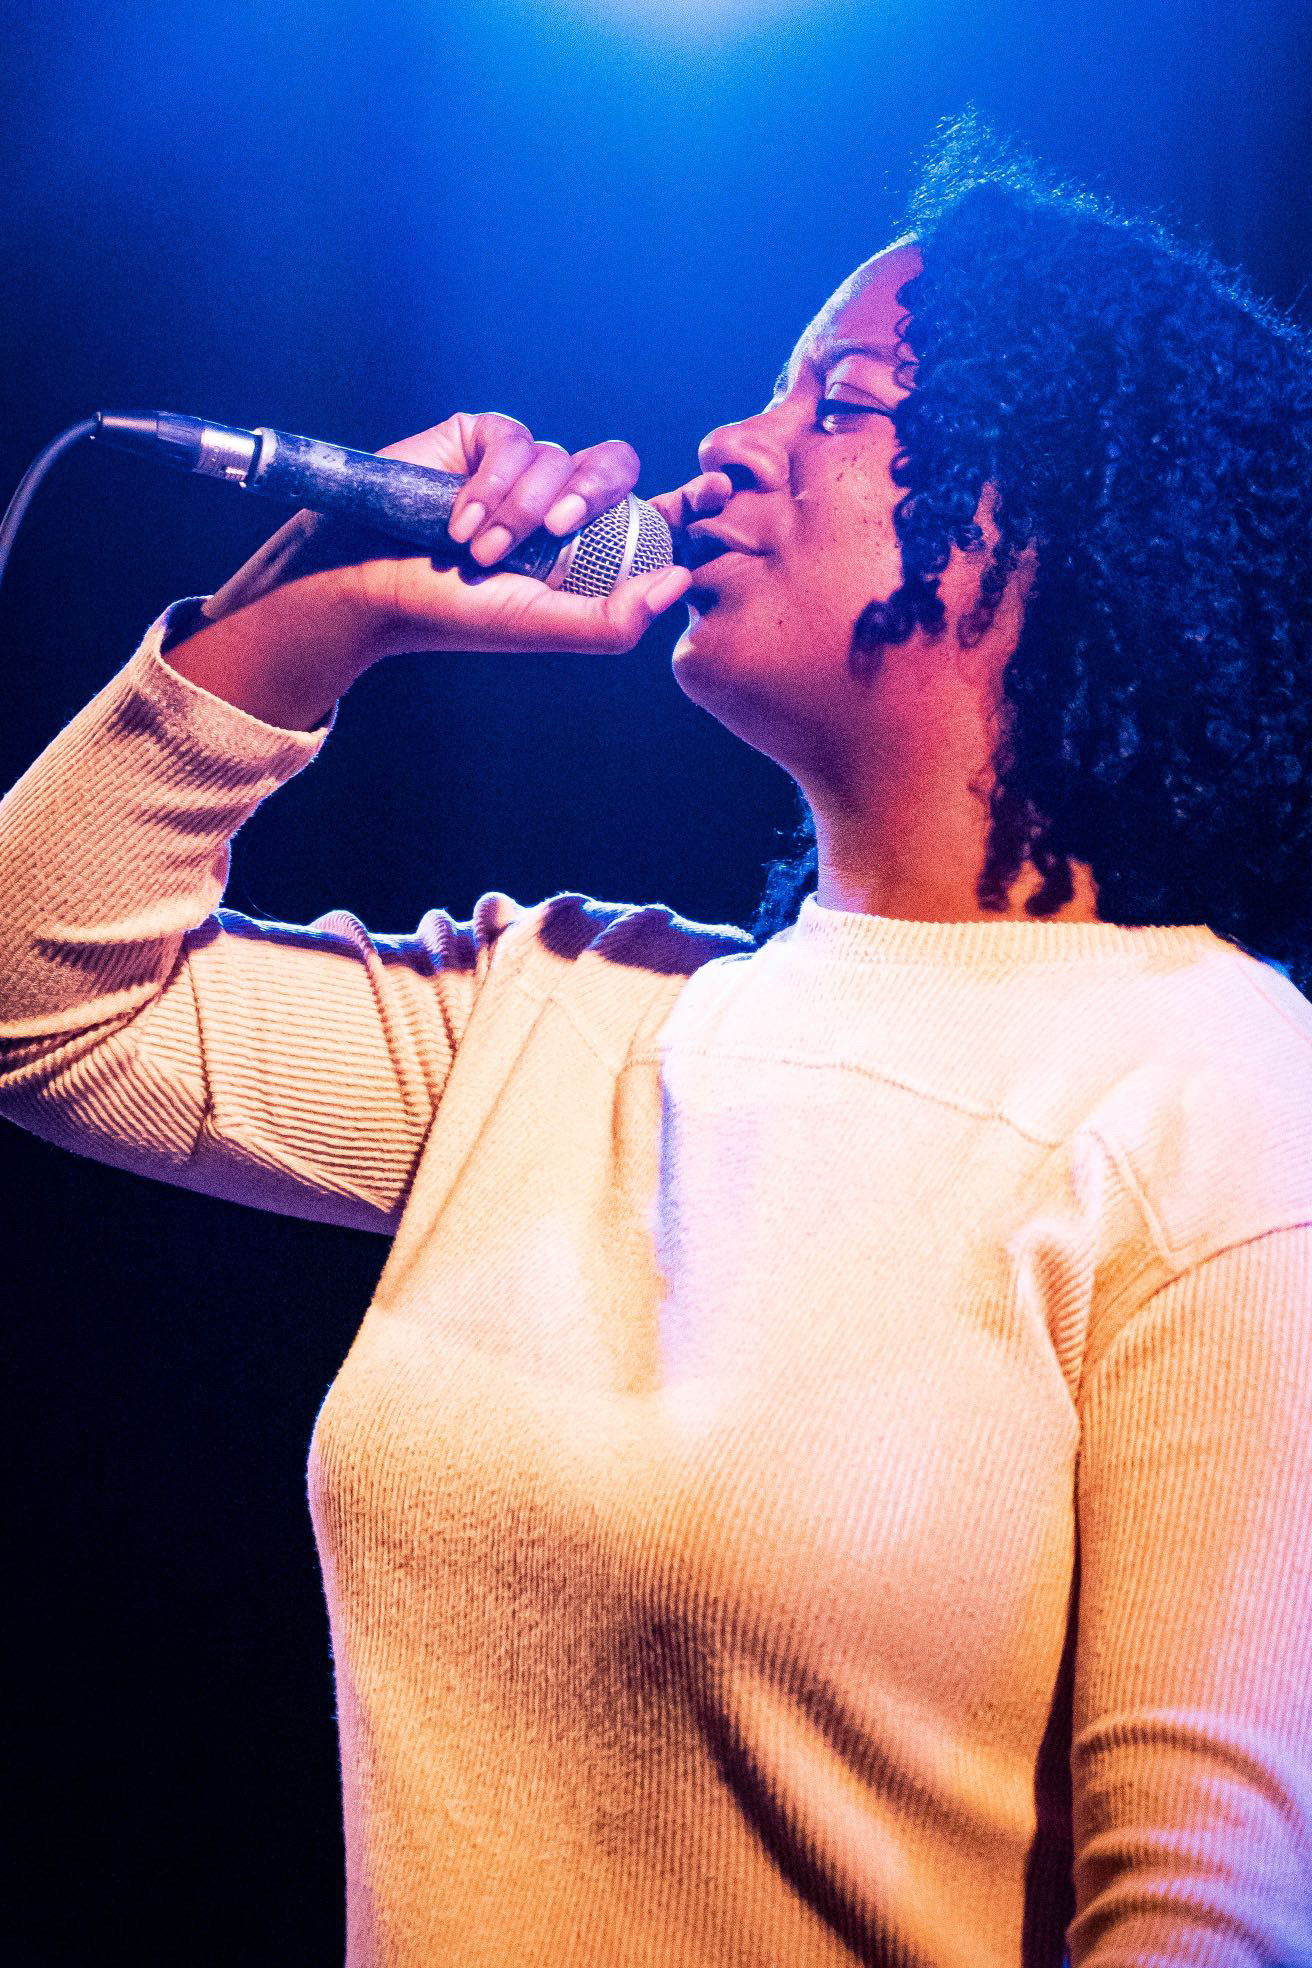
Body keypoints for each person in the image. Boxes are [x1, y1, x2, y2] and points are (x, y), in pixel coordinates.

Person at [1, 110, 1310, 1968]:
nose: (731, 445)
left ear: (1065, 524)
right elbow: (37, 1003)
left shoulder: (1216, 1096)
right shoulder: (566, 1010)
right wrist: (320, 612)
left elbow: (1204, 1920)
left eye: (839, 402)